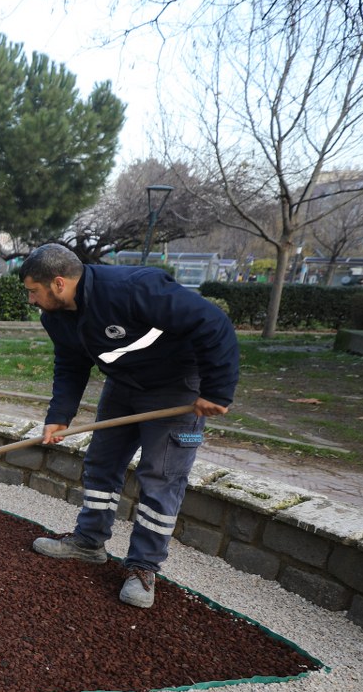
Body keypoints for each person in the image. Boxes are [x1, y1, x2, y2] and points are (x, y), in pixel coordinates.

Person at [19, 242, 239, 608]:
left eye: (33, 291)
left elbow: (212, 324)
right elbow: (71, 364)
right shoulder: (56, 317)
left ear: (58, 283)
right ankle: (89, 543)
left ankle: (143, 567)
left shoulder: (133, 288)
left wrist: (217, 390)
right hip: (123, 387)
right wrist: (59, 417)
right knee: (101, 463)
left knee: (160, 476)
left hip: (177, 390)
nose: (31, 300)